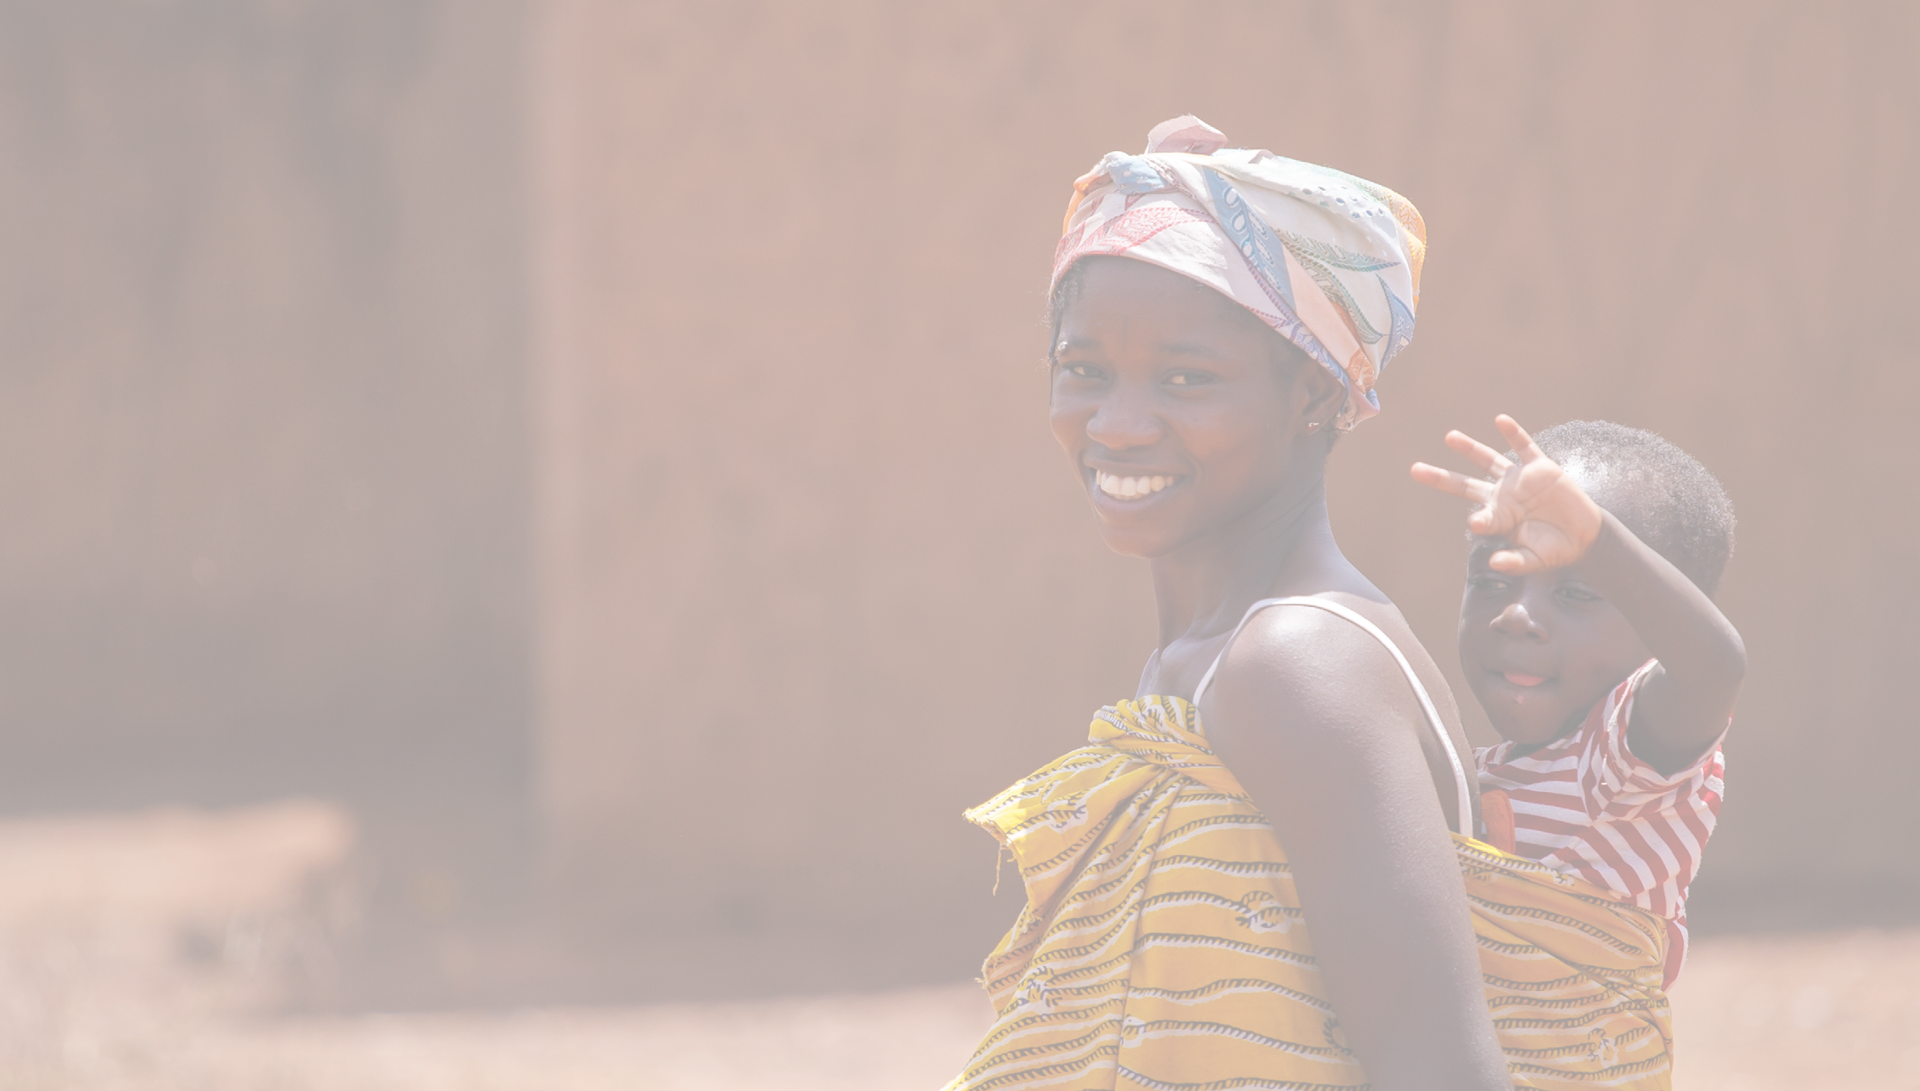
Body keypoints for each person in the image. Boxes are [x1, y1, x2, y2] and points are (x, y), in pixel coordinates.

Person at [947, 115, 1521, 1091]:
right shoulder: (1210, 660)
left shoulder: (1294, 665)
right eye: (1085, 371)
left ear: (1310, 393)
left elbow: (1444, 1073)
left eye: (1188, 379)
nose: (1118, 425)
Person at [1411, 416, 1744, 990]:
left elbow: (1714, 671)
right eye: (1492, 580)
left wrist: (1600, 541)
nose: (1515, 616)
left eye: (1577, 592)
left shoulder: (1621, 768)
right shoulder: (1492, 769)